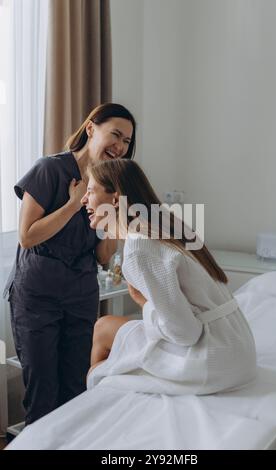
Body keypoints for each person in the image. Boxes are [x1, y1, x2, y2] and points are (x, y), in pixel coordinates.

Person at [4, 103, 136, 425]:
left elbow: (104, 257)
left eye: (127, 141)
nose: (120, 146)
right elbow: (26, 237)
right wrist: (72, 204)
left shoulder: (110, 183)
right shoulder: (49, 170)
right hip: (37, 296)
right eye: (115, 134)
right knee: (43, 394)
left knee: (77, 389)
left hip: (80, 295)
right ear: (91, 129)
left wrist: (114, 213)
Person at [82, 159, 257, 395]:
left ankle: (93, 403)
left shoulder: (139, 247)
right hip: (237, 347)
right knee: (103, 327)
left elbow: (185, 333)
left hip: (213, 360)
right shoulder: (165, 227)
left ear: (115, 199)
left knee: (98, 373)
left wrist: (143, 302)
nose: (84, 199)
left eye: (90, 191)